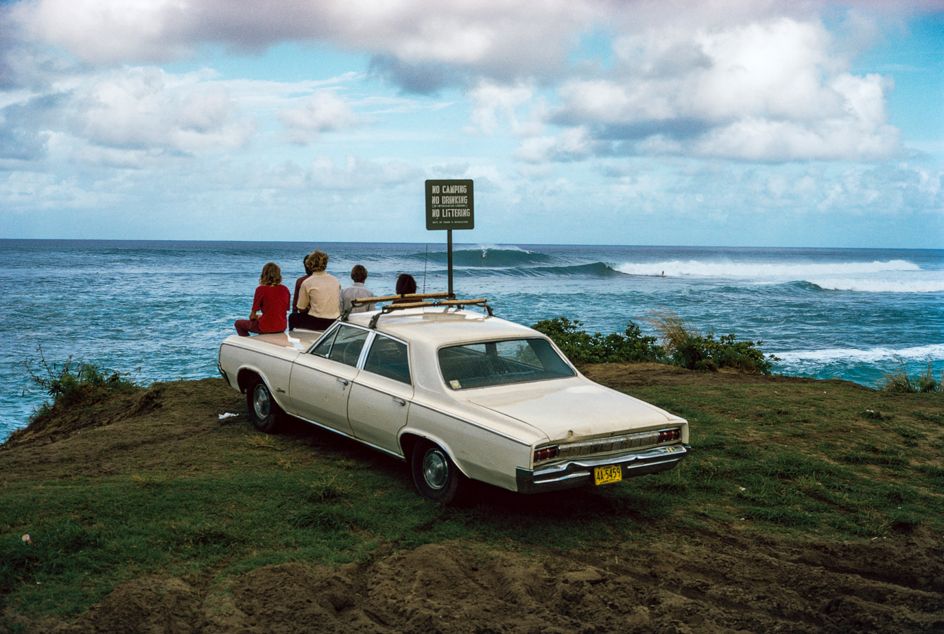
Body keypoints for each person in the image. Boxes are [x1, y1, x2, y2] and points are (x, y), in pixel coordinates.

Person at [234, 262, 290, 336]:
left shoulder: (261, 289)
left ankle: (247, 341)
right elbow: (283, 309)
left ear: (263, 275)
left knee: (238, 323)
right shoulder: (285, 289)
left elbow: (252, 316)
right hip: (281, 327)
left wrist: (257, 317)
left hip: (266, 327)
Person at [291, 250, 341, 330]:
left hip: (317, 322)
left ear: (310, 265)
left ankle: (295, 335)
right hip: (334, 321)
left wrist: (310, 308)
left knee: (292, 317)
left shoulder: (307, 282)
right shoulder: (335, 280)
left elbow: (301, 308)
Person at [291, 252, 317, 320]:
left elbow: (295, 304)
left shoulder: (301, 281)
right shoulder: (327, 280)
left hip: (306, 315)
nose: (307, 268)